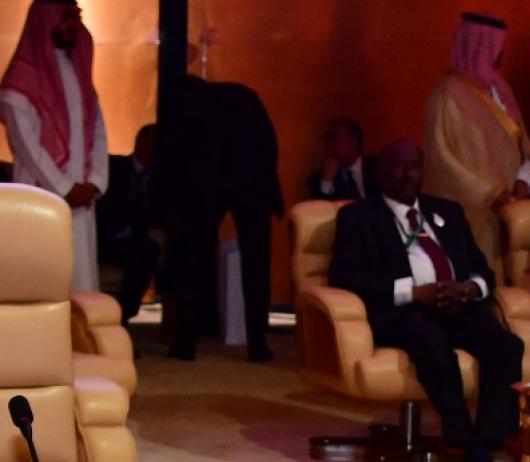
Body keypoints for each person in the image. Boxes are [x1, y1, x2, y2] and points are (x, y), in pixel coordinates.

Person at [330, 139, 524, 462]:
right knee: (433, 344)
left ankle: (482, 448)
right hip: (402, 311)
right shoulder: (358, 217)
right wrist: (413, 292)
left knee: (507, 346)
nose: (408, 175)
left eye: (415, 167)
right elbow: (346, 279)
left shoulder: (447, 211)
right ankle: (468, 449)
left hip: (456, 305)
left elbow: (483, 270)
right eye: (399, 166)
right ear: (380, 172)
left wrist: (471, 288)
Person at [154, 75, 282, 361]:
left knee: (194, 257)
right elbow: (268, 144)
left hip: (203, 179)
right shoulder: (244, 98)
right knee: (256, 257)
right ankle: (257, 342)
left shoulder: (181, 101)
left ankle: (186, 340)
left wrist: (168, 203)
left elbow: (169, 153)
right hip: (251, 173)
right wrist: (269, 185)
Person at [0, 0, 108, 292]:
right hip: (40, 194)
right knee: (42, 283)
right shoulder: (20, 85)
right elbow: (27, 147)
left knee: (82, 287)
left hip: (81, 199)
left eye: (76, 16)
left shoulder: (80, 74)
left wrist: (94, 182)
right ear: (46, 19)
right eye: (65, 17)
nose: (73, 24)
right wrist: (64, 188)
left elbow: (98, 133)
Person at [424, 13, 530, 267]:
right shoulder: (446, 96)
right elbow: (442, 160)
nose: (501, 52)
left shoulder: (500, 88)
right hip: (471, 211)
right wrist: (488, 192)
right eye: (496, 46)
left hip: (507, 209)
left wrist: (523, 179)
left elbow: (520, 143)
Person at [97, 123, 159, 323]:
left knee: (147, 250)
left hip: (135, 242)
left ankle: (124, 315)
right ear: (141, 142)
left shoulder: (160, 180)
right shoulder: (113, 167)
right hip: (104, 238)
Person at [307, 117, 376, 201]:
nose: (328, 144)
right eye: (326, 139)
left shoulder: (378, 167)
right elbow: (321, 206)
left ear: (353, 141)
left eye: (333, 138)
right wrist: (327, 180)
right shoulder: (317, 180)